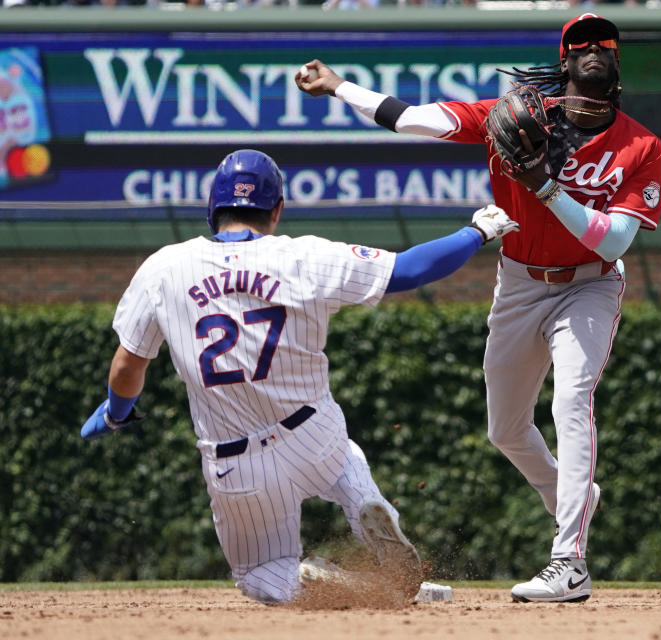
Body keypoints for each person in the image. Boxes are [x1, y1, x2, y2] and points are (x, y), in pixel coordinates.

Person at [296, 13, 661, 603]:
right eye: (582, 44)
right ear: (564, 62)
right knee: (506, 429)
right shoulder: (509, 118)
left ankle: (569, 561)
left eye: (606, 44)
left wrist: (546, 186)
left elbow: (614, 242)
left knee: (572, 398)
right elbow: (410, 119)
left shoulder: (641, 145)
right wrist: (340, 87)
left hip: (590, 284)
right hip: (520, 281)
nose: (595, 50)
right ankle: (574, 493)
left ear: (617, 64)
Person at [80, 149, 518, 606]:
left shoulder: (163, 268)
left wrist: (116, 413)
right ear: (276, 209)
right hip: (313, 434)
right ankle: (364, 503)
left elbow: (128, 367)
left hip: (238, 465)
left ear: (211, 208)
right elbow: (409, 269)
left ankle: (334, 582)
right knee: (345, 452)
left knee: (259, 573)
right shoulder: (304, 256)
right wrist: (477, 232)